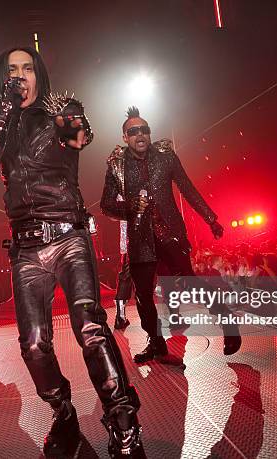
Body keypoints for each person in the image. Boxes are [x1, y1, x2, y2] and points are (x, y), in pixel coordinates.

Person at [0, 47, 143, 458]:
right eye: (12, 70)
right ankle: (63, 413)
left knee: (90, 328)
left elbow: (81, 137)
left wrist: (67, 111)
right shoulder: (1, 125)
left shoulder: (59, 112)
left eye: (27, 68)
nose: (20, 76)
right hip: (26, 247)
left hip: (68, 235)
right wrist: (4, 108)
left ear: (39, 74)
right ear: (1, 79)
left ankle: (123, 422)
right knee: (33, 345)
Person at [101, 106, 241, 364]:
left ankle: (227, 321)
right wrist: (129, 206)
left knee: (189, 282)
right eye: (133, 131)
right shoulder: (116, 165)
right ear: (125, 137)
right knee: (143, 294)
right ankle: (156, 343)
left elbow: (187, 188)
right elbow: (106, 205)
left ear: (149, 133)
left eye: (144, 129)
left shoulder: (166, 157)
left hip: (170, 233)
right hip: (140, 238)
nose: (140, 134)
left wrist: (211, 219)